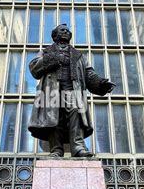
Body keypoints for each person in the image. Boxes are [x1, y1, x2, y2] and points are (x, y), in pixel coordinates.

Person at [28, 24, 115, 157]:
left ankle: (78, 147)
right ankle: (56, 149)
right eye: (62, 30)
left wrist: (101, 84)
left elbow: (88, 73)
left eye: (68, 31)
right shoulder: (46, 52)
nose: (66, 32)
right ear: (55, 35)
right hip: (52, 90)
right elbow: (34, 68)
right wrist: (55, 58)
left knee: (76, 113)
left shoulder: (78, 55)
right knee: (54, 117)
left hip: (72, 89)